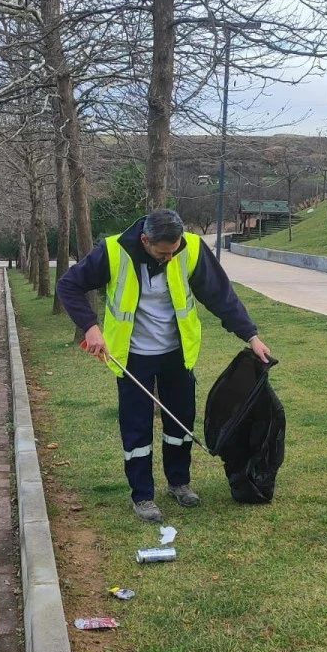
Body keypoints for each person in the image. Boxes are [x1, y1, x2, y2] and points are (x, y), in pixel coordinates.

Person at [56, 208, 271, 523]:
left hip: (177, 354)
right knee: (137, 428)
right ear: (145, 240)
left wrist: (251, 336)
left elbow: (221, 296)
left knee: (181, 423)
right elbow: (68, 285)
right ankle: (142, 496)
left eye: (174, 251)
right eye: (162, 252)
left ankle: (179, 482)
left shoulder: (191, 249)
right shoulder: (114, 251)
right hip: (133, 357)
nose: (170, 257)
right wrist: (90, 327)